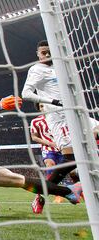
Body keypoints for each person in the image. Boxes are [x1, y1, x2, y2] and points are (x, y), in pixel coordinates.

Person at [22, 40, 98, 211]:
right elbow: (26, 93)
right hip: (59, 119)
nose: (46, 55)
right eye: (43, 52)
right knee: (71, 159)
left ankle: (78, 185)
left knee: (93, 136)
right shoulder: (37, 70)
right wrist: (53, 101)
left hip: (75, 112)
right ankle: (41, 195)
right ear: (38, 54)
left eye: (49, 51)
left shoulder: (60, 67)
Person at [30, 102, 66, 213]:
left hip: (64, 149)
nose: (43, 108)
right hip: (48, 150)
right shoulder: (36, 121)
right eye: (41, 106)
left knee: (73, 172)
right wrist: (49, 143)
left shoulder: (61, 119)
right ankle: (56, 194)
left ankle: (39, 196)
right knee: (50, 165)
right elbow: (34, 137)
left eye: (44, 105)